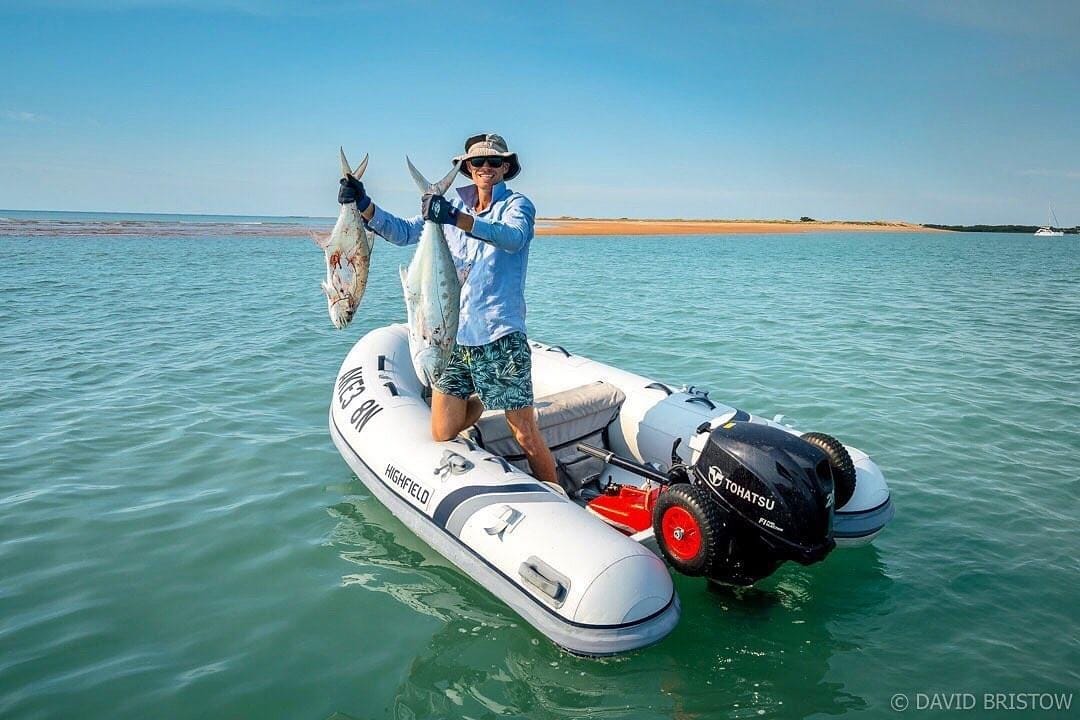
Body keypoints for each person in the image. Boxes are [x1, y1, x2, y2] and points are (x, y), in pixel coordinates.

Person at [337, 133, 559, 489]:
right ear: (467, 168)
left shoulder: (517, 205)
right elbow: (404, 232)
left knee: (524, 433)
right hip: (452, 335)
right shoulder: (449, 203)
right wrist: (364, 205)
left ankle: (557, 493)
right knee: (442, 430)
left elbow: (513, 237)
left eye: (494, 161)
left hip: (499, 335)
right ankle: (482, 397)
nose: (485, 167)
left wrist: (456, 219)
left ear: (506, 167)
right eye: (477, 162)